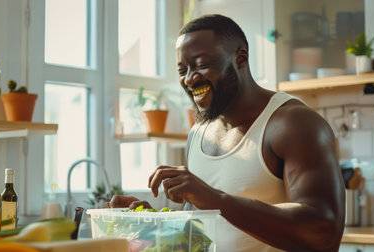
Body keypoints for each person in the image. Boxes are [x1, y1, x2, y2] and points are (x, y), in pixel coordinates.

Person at [110, 14, 345, 251]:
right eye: (183, 69)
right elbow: (201, 235)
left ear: (240, 58)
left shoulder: (293, 123)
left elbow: (322, 233)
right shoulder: (198, 133)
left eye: (201, 64)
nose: (190, 78)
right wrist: (152, 222)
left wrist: (214, 198)